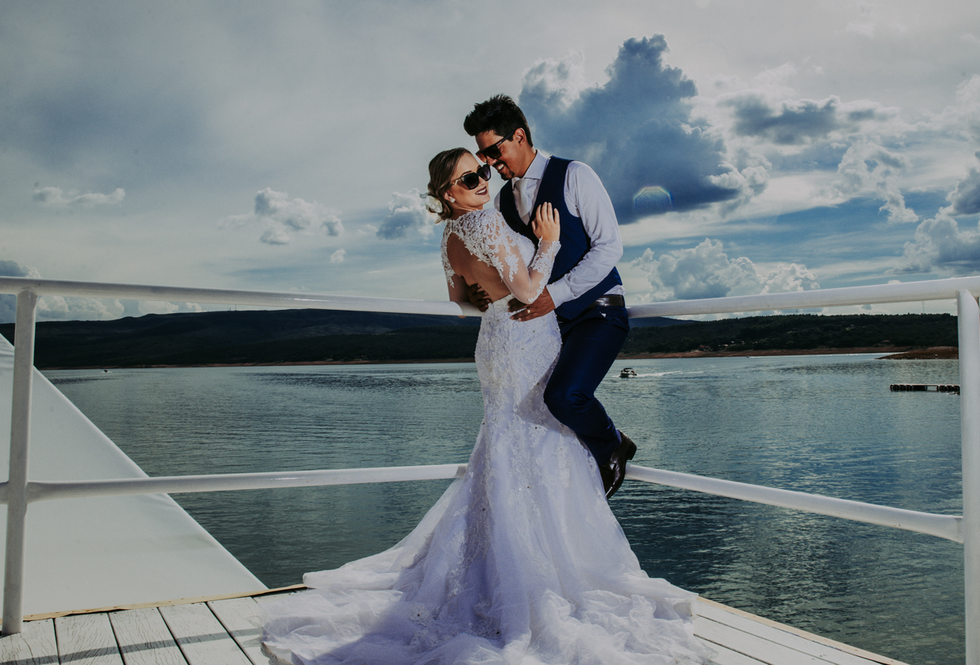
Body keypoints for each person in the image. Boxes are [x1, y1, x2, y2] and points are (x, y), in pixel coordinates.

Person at [260, 148, 708, 665]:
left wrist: (493, 293)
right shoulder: (486, 223)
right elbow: (527, 288)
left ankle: (503, 561)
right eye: (469, 176)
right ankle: (542, 571)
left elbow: (460, 299)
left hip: (494, 338)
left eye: (484, 170)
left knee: (507, 442)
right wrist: (548, 244)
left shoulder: (449, 235)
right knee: (539, 438)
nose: (483, 178)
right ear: (448, 192)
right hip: (526, 335)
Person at [463, 94, 637, 498]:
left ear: (519, 136)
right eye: (481, 155)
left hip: (598, 311)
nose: (489, 162)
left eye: (494, 150)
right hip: (544, 326)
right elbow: (515, 270)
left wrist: (555, 296)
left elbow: (609, 247)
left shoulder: (576, 174)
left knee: (564, 396)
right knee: (523, 408)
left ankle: (612, 444)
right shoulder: (504, 200)